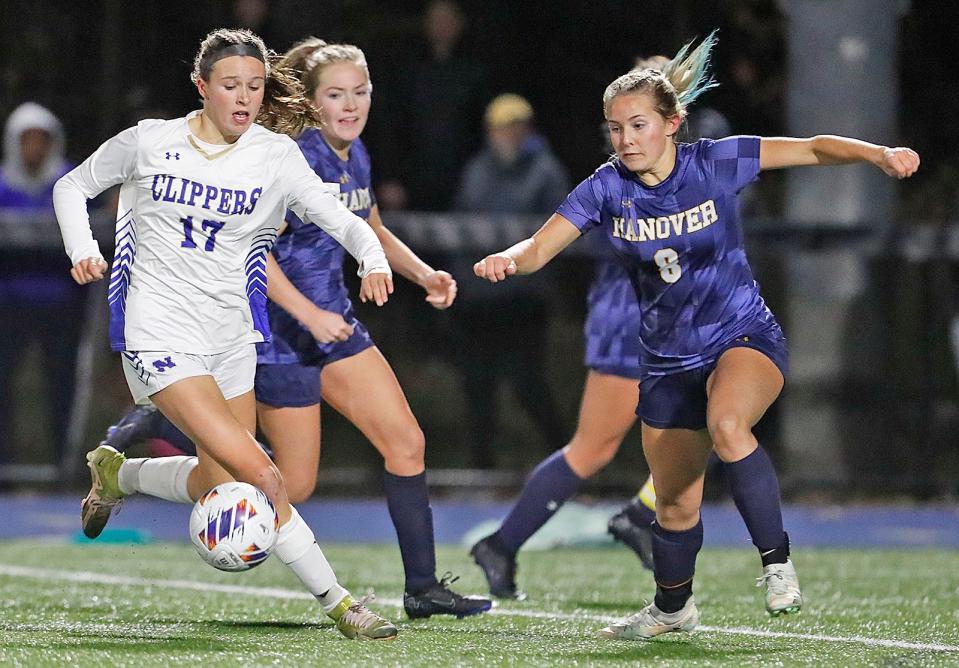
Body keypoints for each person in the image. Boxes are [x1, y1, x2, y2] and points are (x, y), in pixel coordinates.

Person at [472, 31, 919, 640]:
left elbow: (813, 149)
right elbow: (541, 246)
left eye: (637, 125)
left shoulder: (715, 162)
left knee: (729, 426)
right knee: (677, 504)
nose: (626, 140)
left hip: (741, 334)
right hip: (665, 358)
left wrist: (878, 153)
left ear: (672, 123)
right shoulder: (608, 186)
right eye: (615, 128)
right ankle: (672, 608)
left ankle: (776, 563)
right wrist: (508, 258)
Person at [88, 37, 492, 621]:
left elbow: (368, 223)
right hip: (278, 334)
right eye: (336, 95)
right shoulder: (283, 154)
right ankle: (139, 444)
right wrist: (307, 313)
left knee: (406, 443)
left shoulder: (355, 153)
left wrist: (421, 272)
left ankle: (423, 589)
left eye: (361, 93)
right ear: (310, 100)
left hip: (336, 328)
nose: (351, 106)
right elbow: (258, 252)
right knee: (278, 485)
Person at [54, 28, 399, 641]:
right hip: (157, 334)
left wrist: (372, 257)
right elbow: (70, 186)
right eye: (230, 85)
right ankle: (342, 604)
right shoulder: (150, 142)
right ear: (201, 87)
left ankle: (120, 475)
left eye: (255, 86)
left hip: (234, 339)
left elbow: (339, 217)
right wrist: (82, 248)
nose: (243, 98)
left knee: (221, 482)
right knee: (265, 475)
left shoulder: (274, 154)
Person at [452, 93, 571, 468]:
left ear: (526, 129)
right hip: (479, 299)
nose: (507, 135)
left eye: (514, 126)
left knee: (528, 385)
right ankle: (481, 470)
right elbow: (460, 227)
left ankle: (568, 465)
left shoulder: (547, 171)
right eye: (500, 127)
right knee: (477, 387)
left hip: (524, 299)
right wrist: (460, 285)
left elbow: (556, 237)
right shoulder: (476, 169)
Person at [0, 102, 81, 472]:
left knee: (62, 382)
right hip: (10, 302)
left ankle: (64, 463)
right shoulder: (3, 184)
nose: (34, 148)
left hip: (60, 304)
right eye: (26, 140)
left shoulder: (70, 183)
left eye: (41, 140)